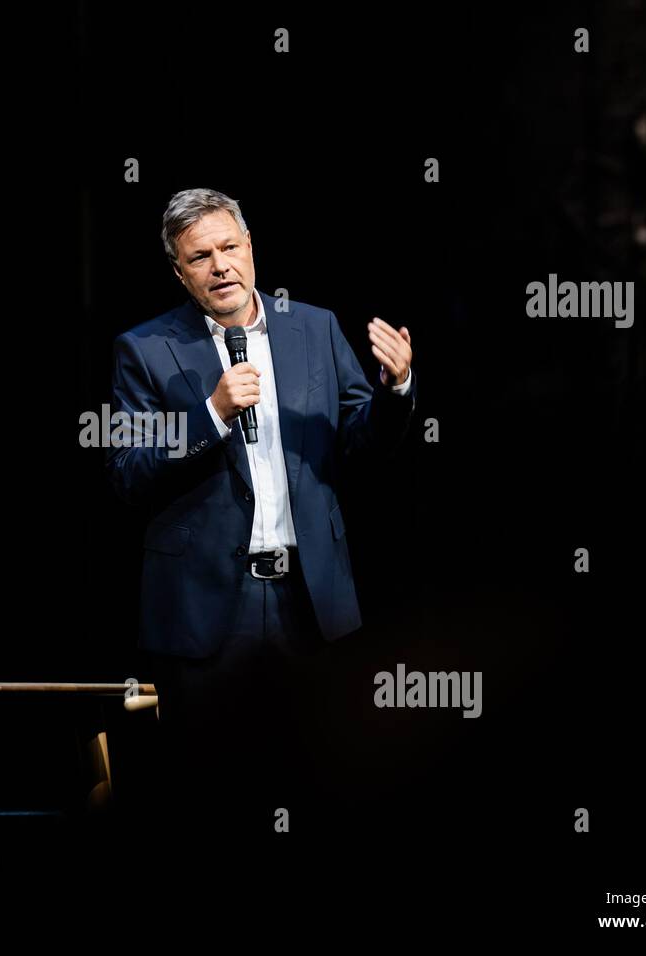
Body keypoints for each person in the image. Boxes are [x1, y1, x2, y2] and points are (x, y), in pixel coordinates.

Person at [105, 188, 416, 866]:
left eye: (229, 247)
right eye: (200, 257)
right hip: (208, 608)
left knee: (319, 784)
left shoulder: (313, 327)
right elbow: (127, 472)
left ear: (251, 249)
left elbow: (360, 444)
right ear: (180, 273)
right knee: (211, 800)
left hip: (310, 600)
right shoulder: (146, 349)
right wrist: (211, 415)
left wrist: (395, 392)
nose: (220, 266)